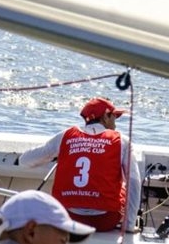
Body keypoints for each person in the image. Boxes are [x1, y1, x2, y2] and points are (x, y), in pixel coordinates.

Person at [19, 97, 142, 232]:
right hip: (105, 220)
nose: (115, 124)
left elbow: (25, 161)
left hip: (67, 216)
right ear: (105, 117)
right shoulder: (122, 141)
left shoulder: (65, 135)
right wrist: (129, 225)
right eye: (114, 117)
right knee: (122, 185)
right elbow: (134, 181)